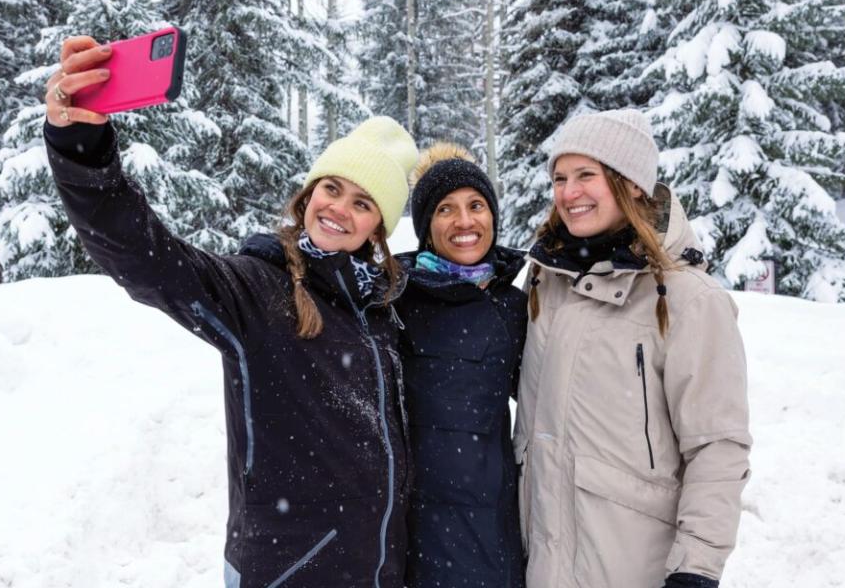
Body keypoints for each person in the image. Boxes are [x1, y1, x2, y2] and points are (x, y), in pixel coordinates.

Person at [42, 36, 418, 588]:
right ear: (308, 193)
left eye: (363, 203)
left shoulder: (383, 310)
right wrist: (81, 148)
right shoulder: (256, 289)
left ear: (377, 228)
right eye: (331, 188)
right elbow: (146, 259)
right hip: (289, 571)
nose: (338, 208)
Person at [514, 110, 752, 588]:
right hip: (540, 560)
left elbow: (717, 447)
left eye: (587, 175)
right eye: (560, 177)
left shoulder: (688, 298)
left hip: (630, 566)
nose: (569, 192)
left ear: (633, 185)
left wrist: (696, 568)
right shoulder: (546, 280)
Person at [393, 143, 526, 587]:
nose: (465, 221)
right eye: (446, 209)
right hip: (407, 539)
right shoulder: (394, 301)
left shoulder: (513, 307)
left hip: (489, 539)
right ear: (427, 228)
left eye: (476, 205)